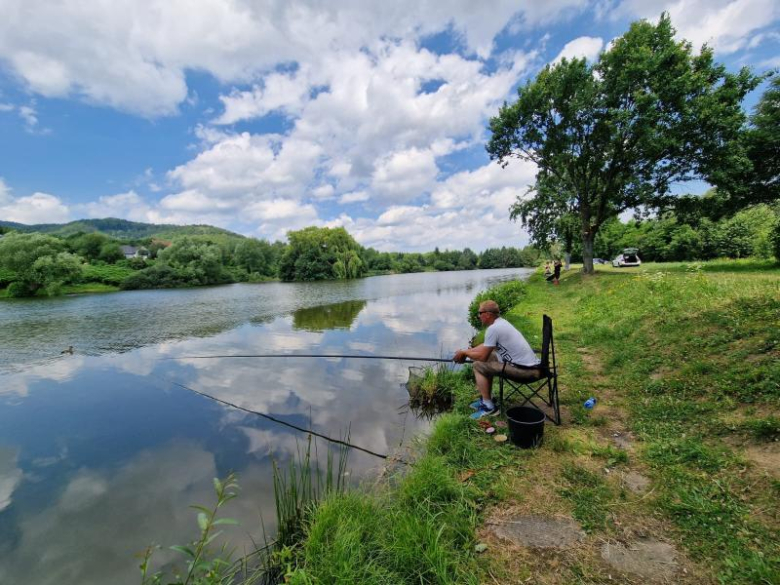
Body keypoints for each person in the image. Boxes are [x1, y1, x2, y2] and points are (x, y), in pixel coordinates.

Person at [453, 300, 541, 419]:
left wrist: (464, 352)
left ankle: (489, 407)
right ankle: (487, 399)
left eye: (480, 313)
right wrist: (468, 351)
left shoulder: (493, 329)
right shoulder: (501, 323)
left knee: (478, 365)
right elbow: (486, 346)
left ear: (488, 314)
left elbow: (482, 357)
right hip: (532, 367)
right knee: (489, 357)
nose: (478, 316)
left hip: (526, 372)